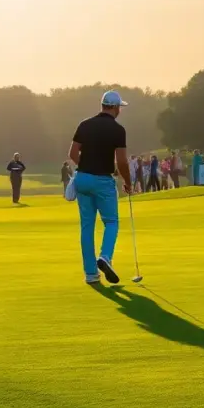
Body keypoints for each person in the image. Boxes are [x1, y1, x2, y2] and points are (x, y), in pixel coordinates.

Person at [68, 90, 133, 285]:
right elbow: (121, 161)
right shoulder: (117, 129)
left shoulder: (84, 124)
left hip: (83, 178)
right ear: (114, 107)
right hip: (103, 180)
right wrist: (127, 182)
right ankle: (105, 257)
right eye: (119, 107)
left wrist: (87, 165)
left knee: (87, 227)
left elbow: (72, 153)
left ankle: (90, 275)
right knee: (111, 222)